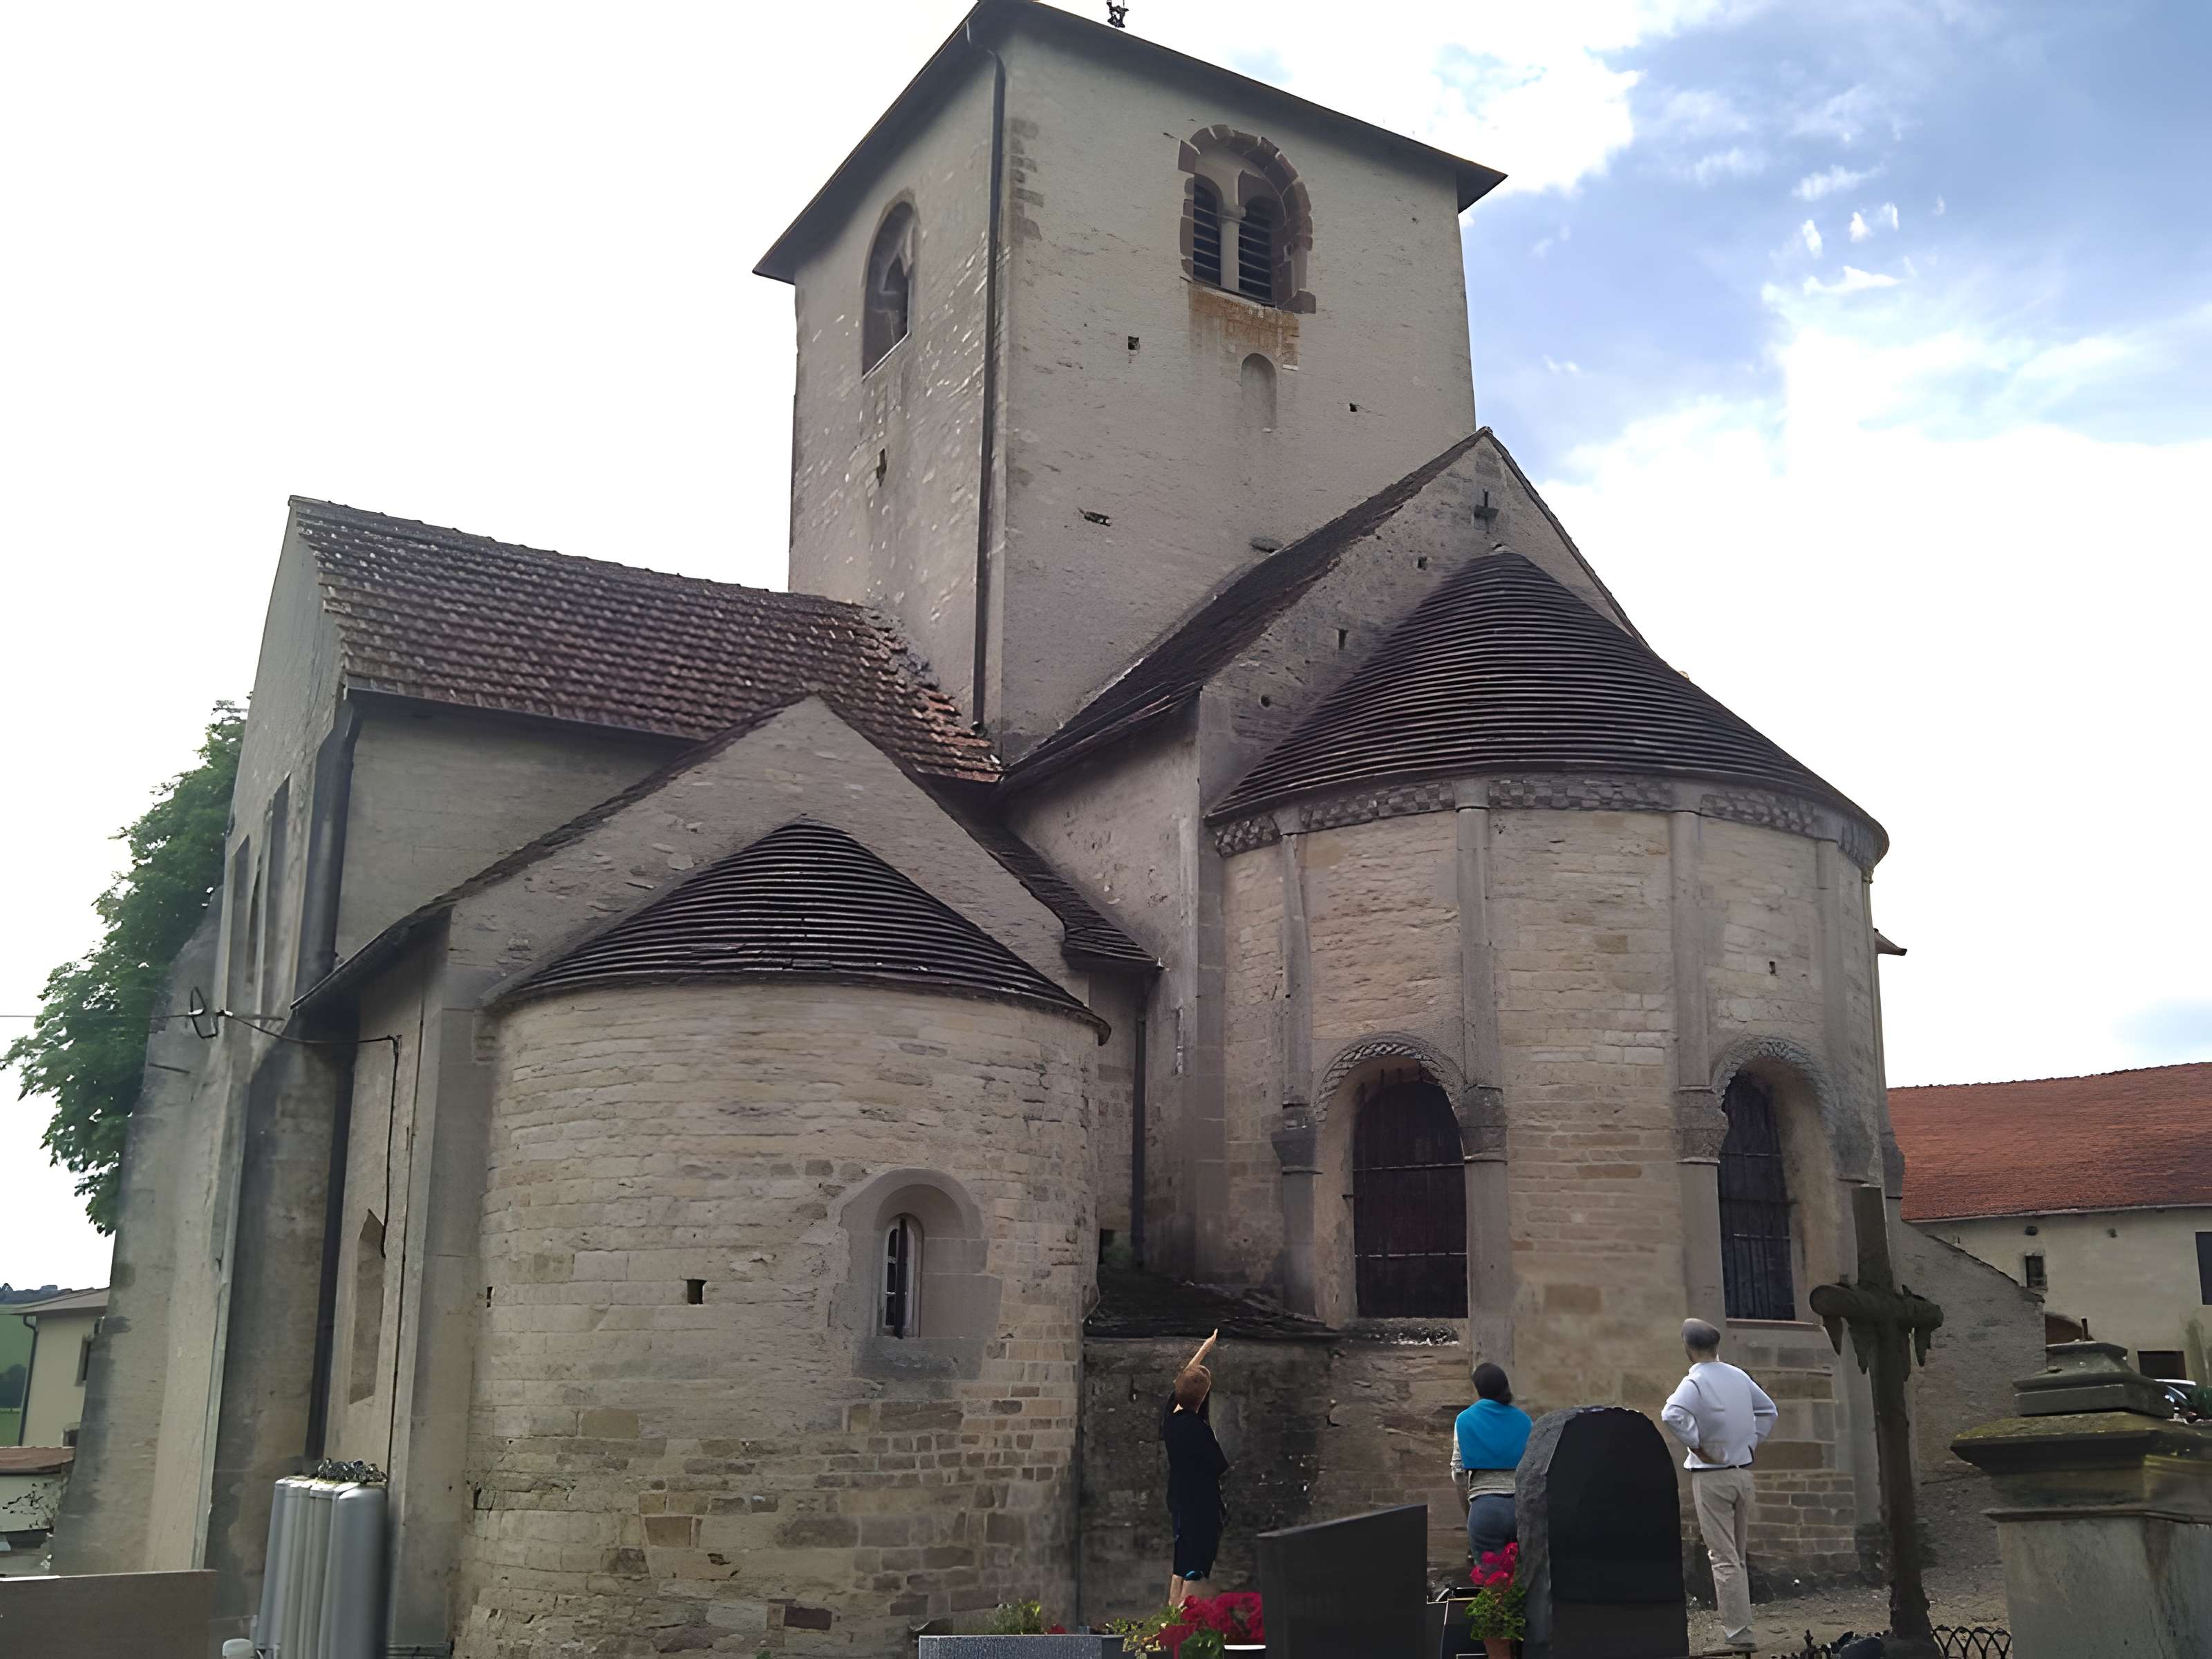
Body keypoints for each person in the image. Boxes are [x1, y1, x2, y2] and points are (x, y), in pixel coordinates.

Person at [1661, 1318, 1778, 1654]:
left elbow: (1672, 1414)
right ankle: (1743, 1628)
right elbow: (1768, 1410)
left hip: (1713, 1476)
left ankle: (1739, 1635)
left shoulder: (1695, 1381)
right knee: (1735, 1555)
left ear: (1688, 1346)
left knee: (1723, 1556)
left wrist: (1697, 1445)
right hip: (1743, 1472)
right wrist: (1751, 1443)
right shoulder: (1738, 1375)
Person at [1161, 1328, 1229, 1607]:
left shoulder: (1171, 1420)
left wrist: (1204, 1350)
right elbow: (1218, 1465)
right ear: (1203, 1399)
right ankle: (1181, 1626)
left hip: (1179, 1501)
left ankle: (1166, 1629)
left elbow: (1184, 1384)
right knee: (1194, 1571)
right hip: (1200, 1507)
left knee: (1180, 1568)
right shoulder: (1198, 1432)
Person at [1452, 1361, 1533, 1562]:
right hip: (1522, 1509)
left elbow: (1458, 1473)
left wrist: (1470, 1510)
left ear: (1478, 1389)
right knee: (1528, 1584)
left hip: (1485, 1510)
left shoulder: (1464, 1420)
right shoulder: (1525, 1421)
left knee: (1493, 1585)